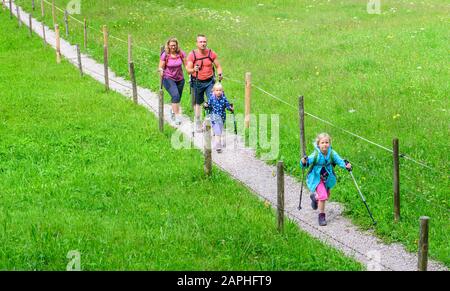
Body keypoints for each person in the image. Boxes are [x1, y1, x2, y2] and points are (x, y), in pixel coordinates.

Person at [300, 133, 352, 226]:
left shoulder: (332, 153)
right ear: (318, 144)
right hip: (316, 178)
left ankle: (315, 198)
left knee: (326, 194)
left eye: (327, 142)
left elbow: (339, 161)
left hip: (327, 177)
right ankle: (321, 216)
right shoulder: (316, 154)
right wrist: (304, 161)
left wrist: (346, 165)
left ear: (330, 143)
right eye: (322, 142)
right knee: (323, 196)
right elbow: (307, 161)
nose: (325, 144)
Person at [186, 34, 223, 132]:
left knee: (213, 100)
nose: (203, 44)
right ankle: (198, 121)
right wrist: (194, 69)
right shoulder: (192, 54)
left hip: (209, 81)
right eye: (201, 42)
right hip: (197, 81)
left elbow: (218, 66)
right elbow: (188, 70)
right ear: (197, 43)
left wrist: (220, 74)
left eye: (204, 42)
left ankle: (211, 122)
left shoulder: (211, 53)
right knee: (198, 103)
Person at [159, 37, 187, 125]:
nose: (173, 47)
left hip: (180, 79)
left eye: (174, 45)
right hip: (168, 78)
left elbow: (186, 64)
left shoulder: (181, 53)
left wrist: (191, 73)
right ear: (168, 46)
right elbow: (160, 66)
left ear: (177, 45)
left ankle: (173, 110)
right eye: (171, 45)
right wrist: (160, 70)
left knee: (177, 98)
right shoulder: (165, 55)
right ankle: (177, 116)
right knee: (175, 96)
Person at [203, 82, 233, 153]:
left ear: (222, 91)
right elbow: (209, 106)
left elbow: (227, 106)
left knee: (219, 129)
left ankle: (215, 133)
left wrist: (231, 108)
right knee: (218, 132)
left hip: (222, 117)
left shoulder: (224, 99)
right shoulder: (212, 98)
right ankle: (218, 145)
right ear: (213, 91)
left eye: (220, 90)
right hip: (214, 116)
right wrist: (206, 105)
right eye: (217, 90)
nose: (218, 92)